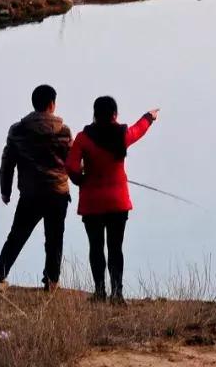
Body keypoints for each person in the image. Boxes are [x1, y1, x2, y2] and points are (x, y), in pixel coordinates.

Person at [65, 96, 159, 301]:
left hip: (92, 204)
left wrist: (80, 180)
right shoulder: (122, 134)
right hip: (117, 203)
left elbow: (71, 166)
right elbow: (138, 130)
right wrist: (149, 117)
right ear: (115, 114)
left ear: (94, 114)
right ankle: (117, 293)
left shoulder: (83, 138)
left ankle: (100, 293)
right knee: (116, 248)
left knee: (96, 248)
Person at [0, 84, 72, 290]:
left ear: (34, 104)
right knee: (54, 239)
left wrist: (6, 191)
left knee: (17, 235)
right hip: (57, 194)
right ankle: (51, 282)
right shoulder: (64, 132)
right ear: (52, 104)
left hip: (31, 194)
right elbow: (74, 163)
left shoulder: (18, 131)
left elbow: (7, 164)